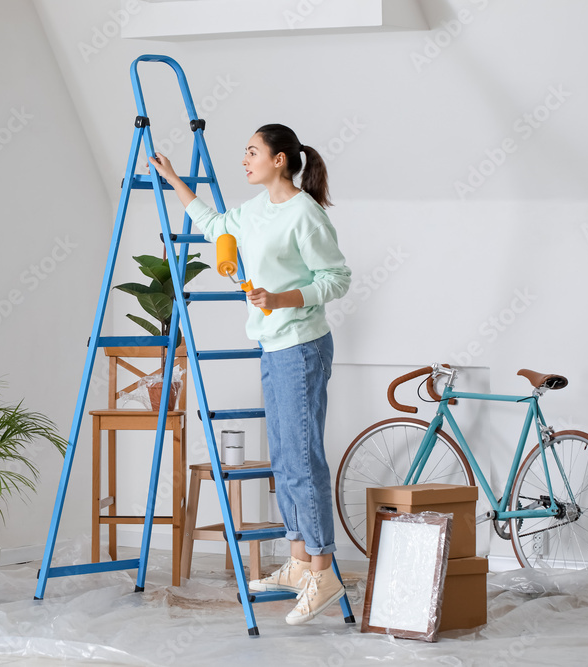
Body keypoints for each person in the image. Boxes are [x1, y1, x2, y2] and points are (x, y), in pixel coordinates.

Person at [148, 123, 352, 625]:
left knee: (304, 460)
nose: (245, 160)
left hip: (302, 347)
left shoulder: (304, 214)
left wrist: (281, 298)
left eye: (253, 152)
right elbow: (217, 226)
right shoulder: (254, 211)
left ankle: (323, 571)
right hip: (272, 345)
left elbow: (338, 278)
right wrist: (174, 178)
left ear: (280, 160)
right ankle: (300, 561)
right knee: (284, 457)